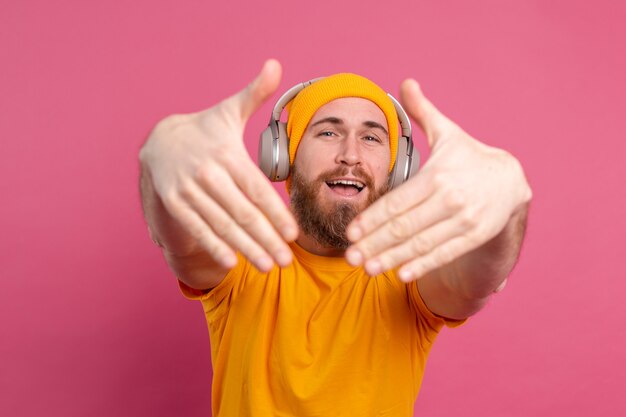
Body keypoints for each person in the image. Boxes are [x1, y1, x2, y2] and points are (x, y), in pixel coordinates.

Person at [139, 59, 531, 417]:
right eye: (328, 132)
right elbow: (180, 239)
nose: (350, 155)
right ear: (284, 155)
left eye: (372, 138)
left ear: (398, 172)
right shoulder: (244, 259)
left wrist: (510, 207)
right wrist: (159, 164)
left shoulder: (407, 275)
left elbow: (472, 281)